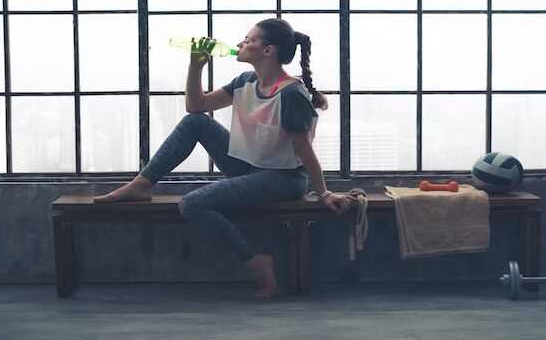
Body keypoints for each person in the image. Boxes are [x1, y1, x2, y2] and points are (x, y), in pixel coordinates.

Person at [93, 18, 352, 299]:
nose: (240, 43)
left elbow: (304, 150)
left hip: (284, 178)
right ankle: (143, 184)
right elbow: (197, 106)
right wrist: (196, 66)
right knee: (195, 123)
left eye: (249, 39)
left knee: (193, 204)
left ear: (268, 51)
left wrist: (323, 191)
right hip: (249, 168)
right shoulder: (246, 81)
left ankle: (255, 261)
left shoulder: (290, 94)